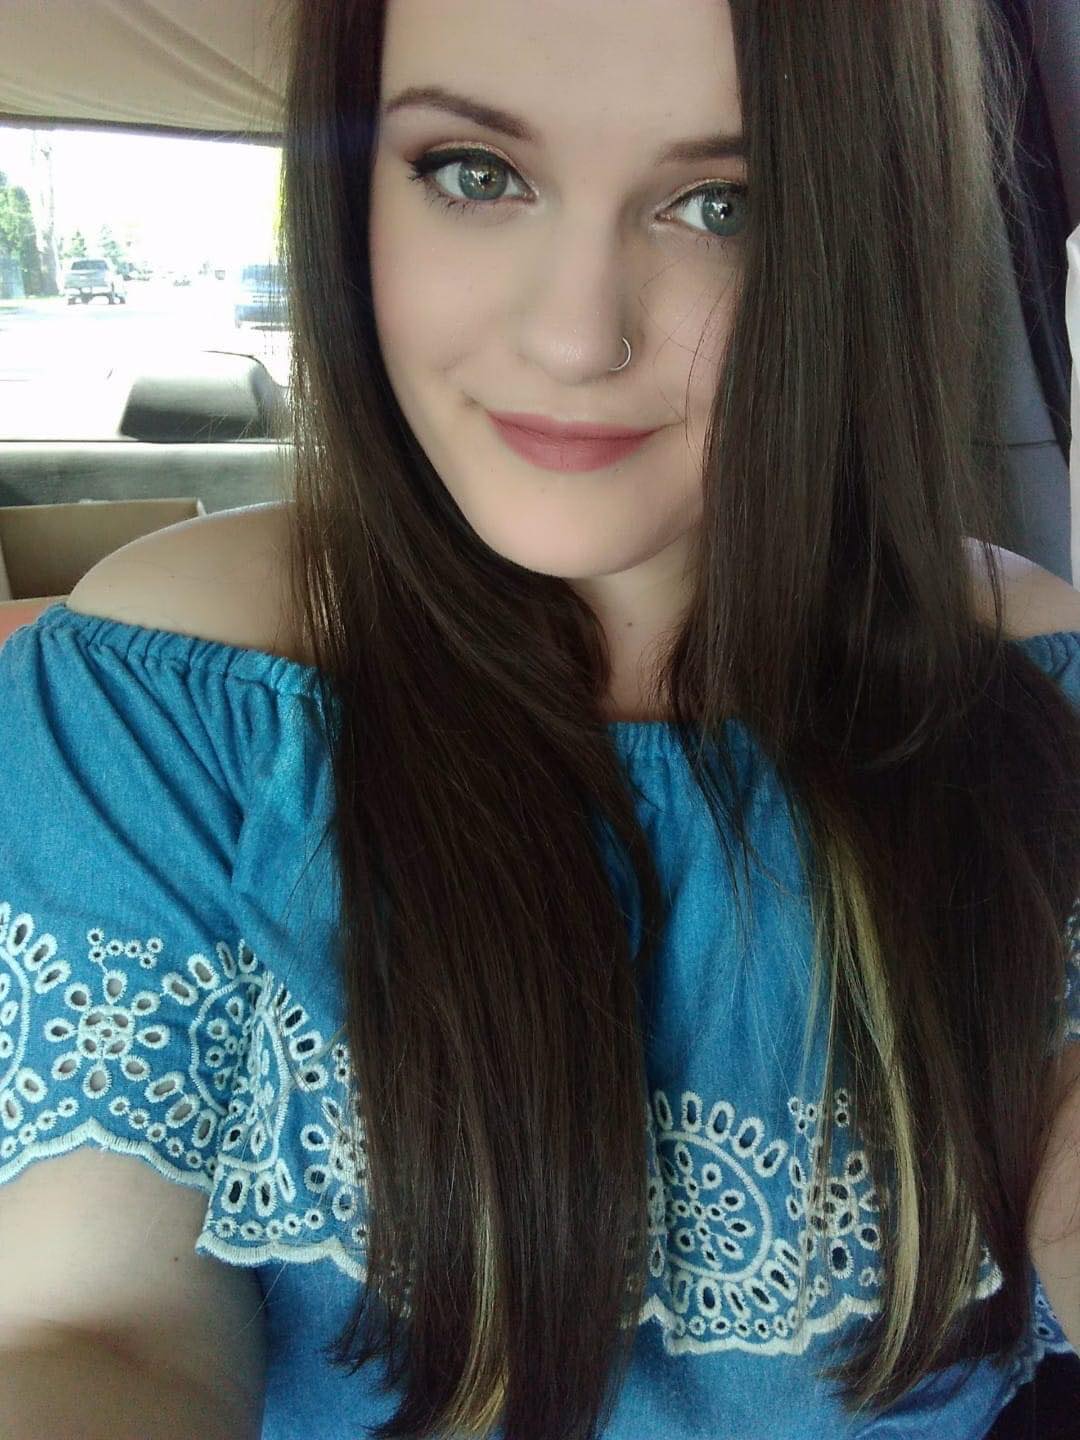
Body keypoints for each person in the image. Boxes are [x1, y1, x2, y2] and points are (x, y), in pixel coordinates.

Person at [2, 2, 1080, 1437]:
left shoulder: (1031, 686)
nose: (577, 338)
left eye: (724, 204)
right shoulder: (175, 692)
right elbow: (96, 1327)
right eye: (474, 173)